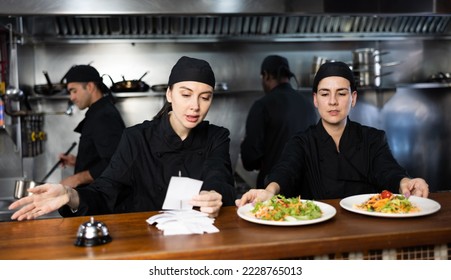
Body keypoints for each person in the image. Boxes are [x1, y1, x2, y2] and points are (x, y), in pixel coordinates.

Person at [9, 56, 236, 220]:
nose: (195, 106)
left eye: (205, 97)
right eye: (185, 94)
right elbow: (105, 192)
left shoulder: (217, 136)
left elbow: (219, 175)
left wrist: (214, 194)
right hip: (144, 243)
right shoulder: (137, 138)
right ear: (169, 94)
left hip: (199, 242)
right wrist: (71, 194)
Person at [236, 61, 429, 206]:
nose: (333, 101)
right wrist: (270, 190)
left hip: (366, 232)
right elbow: (286, 171)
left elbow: (389, 170)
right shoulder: (301, 142)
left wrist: (406, 182)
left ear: (353, 98)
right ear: (315, 100)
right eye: (325, 93)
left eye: (341, 93)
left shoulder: (373, 139)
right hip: (318, 236)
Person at [240, 55, 317, 188]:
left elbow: (250, 158)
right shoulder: (308, 105)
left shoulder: (262, 105)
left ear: (266, 76)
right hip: (306, 187)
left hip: (272, 187)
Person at [58, 65, 126, 188]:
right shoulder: (98, 111)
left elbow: (116, 161)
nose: (71, 97)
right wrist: (78, 161)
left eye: (74, 91)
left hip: (104, 201)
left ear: (89, 87)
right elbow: (104, 156)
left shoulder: (104, 116)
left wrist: (77, 179)